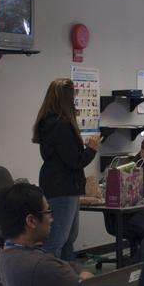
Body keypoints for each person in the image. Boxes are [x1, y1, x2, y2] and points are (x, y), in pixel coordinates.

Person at [33, 78, 101, 261]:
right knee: (57, 240)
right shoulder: (61, 125)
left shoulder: (48, 122)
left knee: (68, 238)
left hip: (57, 184)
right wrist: (91, 149)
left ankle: (67, 273)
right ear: (66, 98)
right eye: (73, 96)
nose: (75, 100)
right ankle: (53, 275)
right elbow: (75, 161)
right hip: (63, 187)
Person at [0, 181, 92, 286]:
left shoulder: (7, 252)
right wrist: (86, 276)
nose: (51, 219)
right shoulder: (42, 266)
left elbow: (68, 266)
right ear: (31, 221)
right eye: (48, 211)